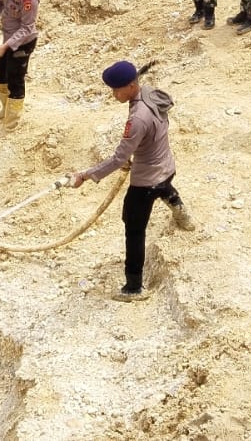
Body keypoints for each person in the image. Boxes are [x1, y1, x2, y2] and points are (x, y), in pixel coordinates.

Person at [69, 61, 195, 303]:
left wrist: (85, 176)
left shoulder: (137, 119)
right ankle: (182, 215)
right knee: (165, 188)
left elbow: (118, 158)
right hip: (165, 166)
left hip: (146, 180)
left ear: (131, 85)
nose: (114, 94)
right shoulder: (149, 94)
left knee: (134, 229)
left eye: (117, 90)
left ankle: (134, 286)